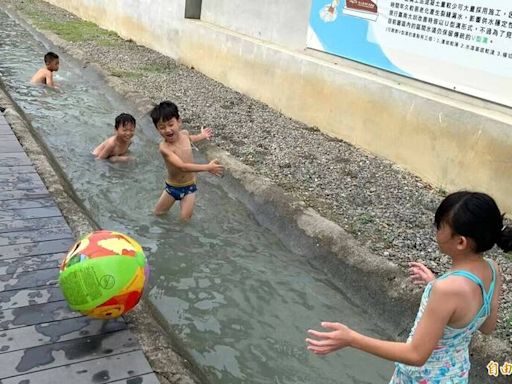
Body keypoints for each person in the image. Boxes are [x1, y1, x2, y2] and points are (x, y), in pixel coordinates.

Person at [306, 191, 510, 383]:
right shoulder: (493, 270)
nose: (437, 232)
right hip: (455, 374)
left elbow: (416, 355)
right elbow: (486, 326)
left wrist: (352, 339)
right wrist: (434, 286)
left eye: (440, 227)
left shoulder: (447, 290)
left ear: (460, 242)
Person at [150, 101, 223, 220]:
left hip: (190, 187)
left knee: (185, 220)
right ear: (157, 129)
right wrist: (207, 167)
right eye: (162, 127)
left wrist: (202, 136)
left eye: (170, 124)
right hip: (172, 188)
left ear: (179, 122)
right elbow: (182, 167)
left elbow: (190, 139)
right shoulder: (165, 148)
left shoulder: (184, 134)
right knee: (157, 215)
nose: (167, 130)